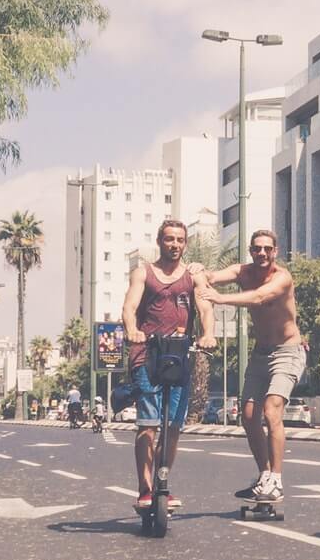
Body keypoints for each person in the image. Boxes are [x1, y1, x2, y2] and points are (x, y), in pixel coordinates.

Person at [196, 229, 303, 504]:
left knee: (271, 409)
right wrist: (199, 271)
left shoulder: (282, 277)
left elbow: (258, 297)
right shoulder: (243, 272)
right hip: (260, 353)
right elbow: (213, 277)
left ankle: (277, 481)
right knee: (248, 415)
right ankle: (264, 476)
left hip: (287, 351)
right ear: (251, 250)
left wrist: (220, 298)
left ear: (276, 251)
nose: (262, 253)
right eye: (257, 248)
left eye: (268, 248)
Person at [121, 218, 217, 510]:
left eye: (179, 240)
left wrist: (208, 334)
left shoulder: (193, 276)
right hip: (147, 354)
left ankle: (163, 480)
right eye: (169, 239)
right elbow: (129, 307)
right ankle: (145, 488)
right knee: (148, 425)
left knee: (173, 426)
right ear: (160, 241)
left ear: (184, 243)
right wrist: (132, 330)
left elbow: (205, 307)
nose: (174, 245)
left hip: (179, 355)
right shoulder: (143, 273)